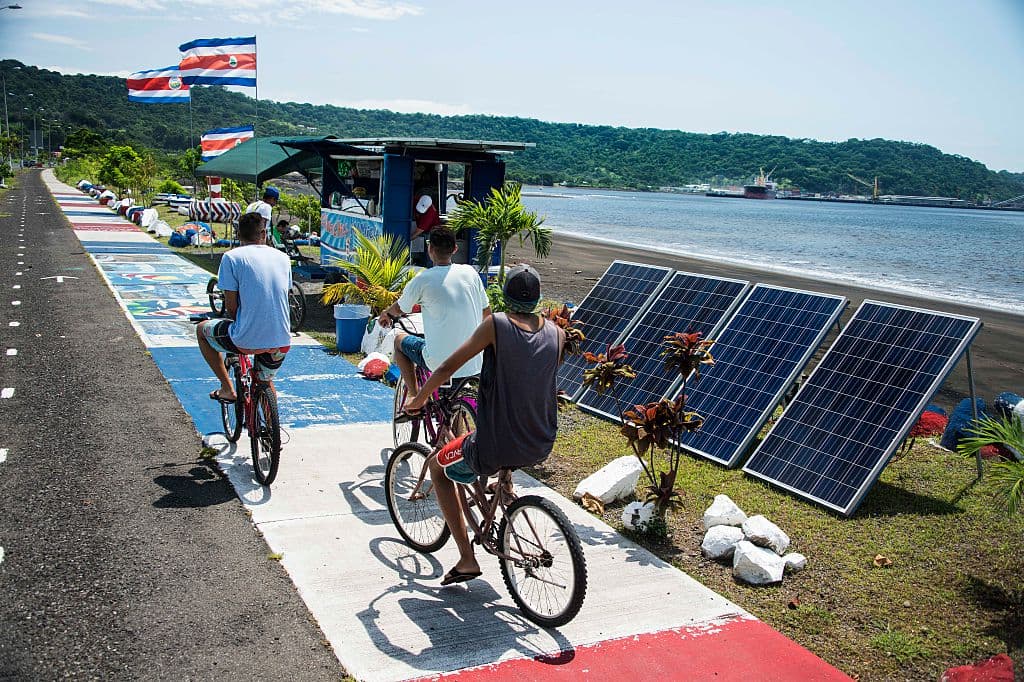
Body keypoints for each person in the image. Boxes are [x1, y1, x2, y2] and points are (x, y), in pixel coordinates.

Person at [403, 264, 565, 585]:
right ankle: (504, 485)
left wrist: (418, 398)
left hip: (494, 444)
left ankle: (466, 558)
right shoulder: (557, 334)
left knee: (437, 467)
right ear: (537, 299)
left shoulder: (496, 325)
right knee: (499, 447)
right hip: (541, 440)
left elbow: (447, 366)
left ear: (504, 296)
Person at [377, 227, 490, 398]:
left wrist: (386, 314)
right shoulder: (470, 273)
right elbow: (486, 312)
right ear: (455, 249)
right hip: (474, 362)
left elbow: (400, 308)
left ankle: (415, 399)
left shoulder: (423, 279)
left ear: (430, 249)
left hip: (440, 363)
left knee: (398, 341)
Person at [197, 212, 293, 402]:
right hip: (281, 341)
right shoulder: (283, 258)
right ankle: (270, 415)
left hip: (245, 340)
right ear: (264, 233)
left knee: (201, 331)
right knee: (265, 381)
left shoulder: (231, 257)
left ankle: (227, 388)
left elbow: (231, 306)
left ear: (239, 235)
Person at [410, 194, 441, 267]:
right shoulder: (415, 199)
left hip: (432, 230)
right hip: (422, 227)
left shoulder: (430, 213)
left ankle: (428, 267)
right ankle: (421, 263)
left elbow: (418, 231)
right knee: (422, 249)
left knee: (429, 251)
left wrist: (407, 239)